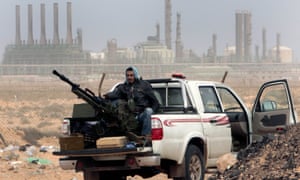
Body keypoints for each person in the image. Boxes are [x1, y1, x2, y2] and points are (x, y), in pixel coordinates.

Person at [104, 66, 159, 145]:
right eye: (128, 75)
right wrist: (106, 96)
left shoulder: (144, 85)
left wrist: (153, 116)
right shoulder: (123, 87)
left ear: (135, 75)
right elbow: (114, 95)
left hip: (142, 114)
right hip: (129, 116)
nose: (129, 77)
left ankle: (145, 138)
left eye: (131, 75)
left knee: (149, 111)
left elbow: (155, 102)